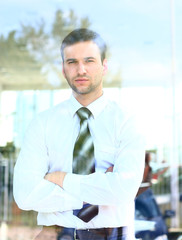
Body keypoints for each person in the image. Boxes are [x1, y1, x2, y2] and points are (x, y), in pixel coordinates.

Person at [13, 28, 145, 240]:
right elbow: (25, 195)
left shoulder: (126, 122)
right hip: (57, 235)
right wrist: (96, 190)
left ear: (104, 66)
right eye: (72, 62)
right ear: (64, 69)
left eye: (89, 61)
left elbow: (123, 190)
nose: (80, 69)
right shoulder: (42, 124)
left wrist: (61, 179)